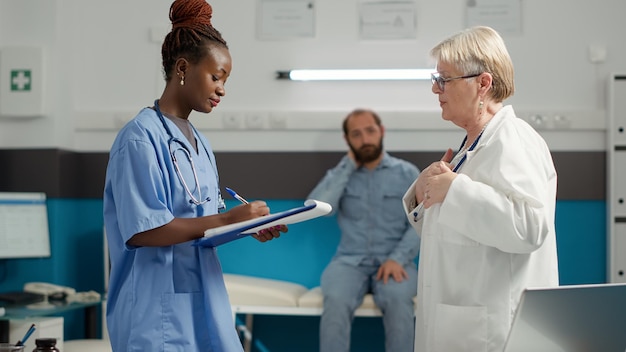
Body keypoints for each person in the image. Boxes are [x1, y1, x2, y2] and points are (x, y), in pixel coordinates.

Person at [102, 1, 287, 351]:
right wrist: (229, 217)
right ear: (183, 68)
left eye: (226, 80)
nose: (222, 89)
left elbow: (202, 225)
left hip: (203, 294)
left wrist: (243, 227)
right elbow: (144, 230)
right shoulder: (139, 138)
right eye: (216, 76)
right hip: (154, 305)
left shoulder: (198, 142)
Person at [402, 26, 559, 352]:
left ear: (483, 83)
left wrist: (455, 189)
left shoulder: (514, 138)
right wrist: (424, 193)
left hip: (493, 330)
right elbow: (456, 233)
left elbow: (529, 227)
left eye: (444, 79)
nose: (436, 89)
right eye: (436, 79)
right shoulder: (470, 147)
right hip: (461, 321)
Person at [308, 109, 421, 352]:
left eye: (370, 131)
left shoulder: (407, 173)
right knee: (336, 300)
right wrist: (348, 166)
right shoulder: (339, 174)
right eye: (356, 134)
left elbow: (419, 222)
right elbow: (317, 208)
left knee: (398, 300)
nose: (365, 140)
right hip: (349, 262)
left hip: (396, 262)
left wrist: (397, 258)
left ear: (381, 131)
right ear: (347, 140)